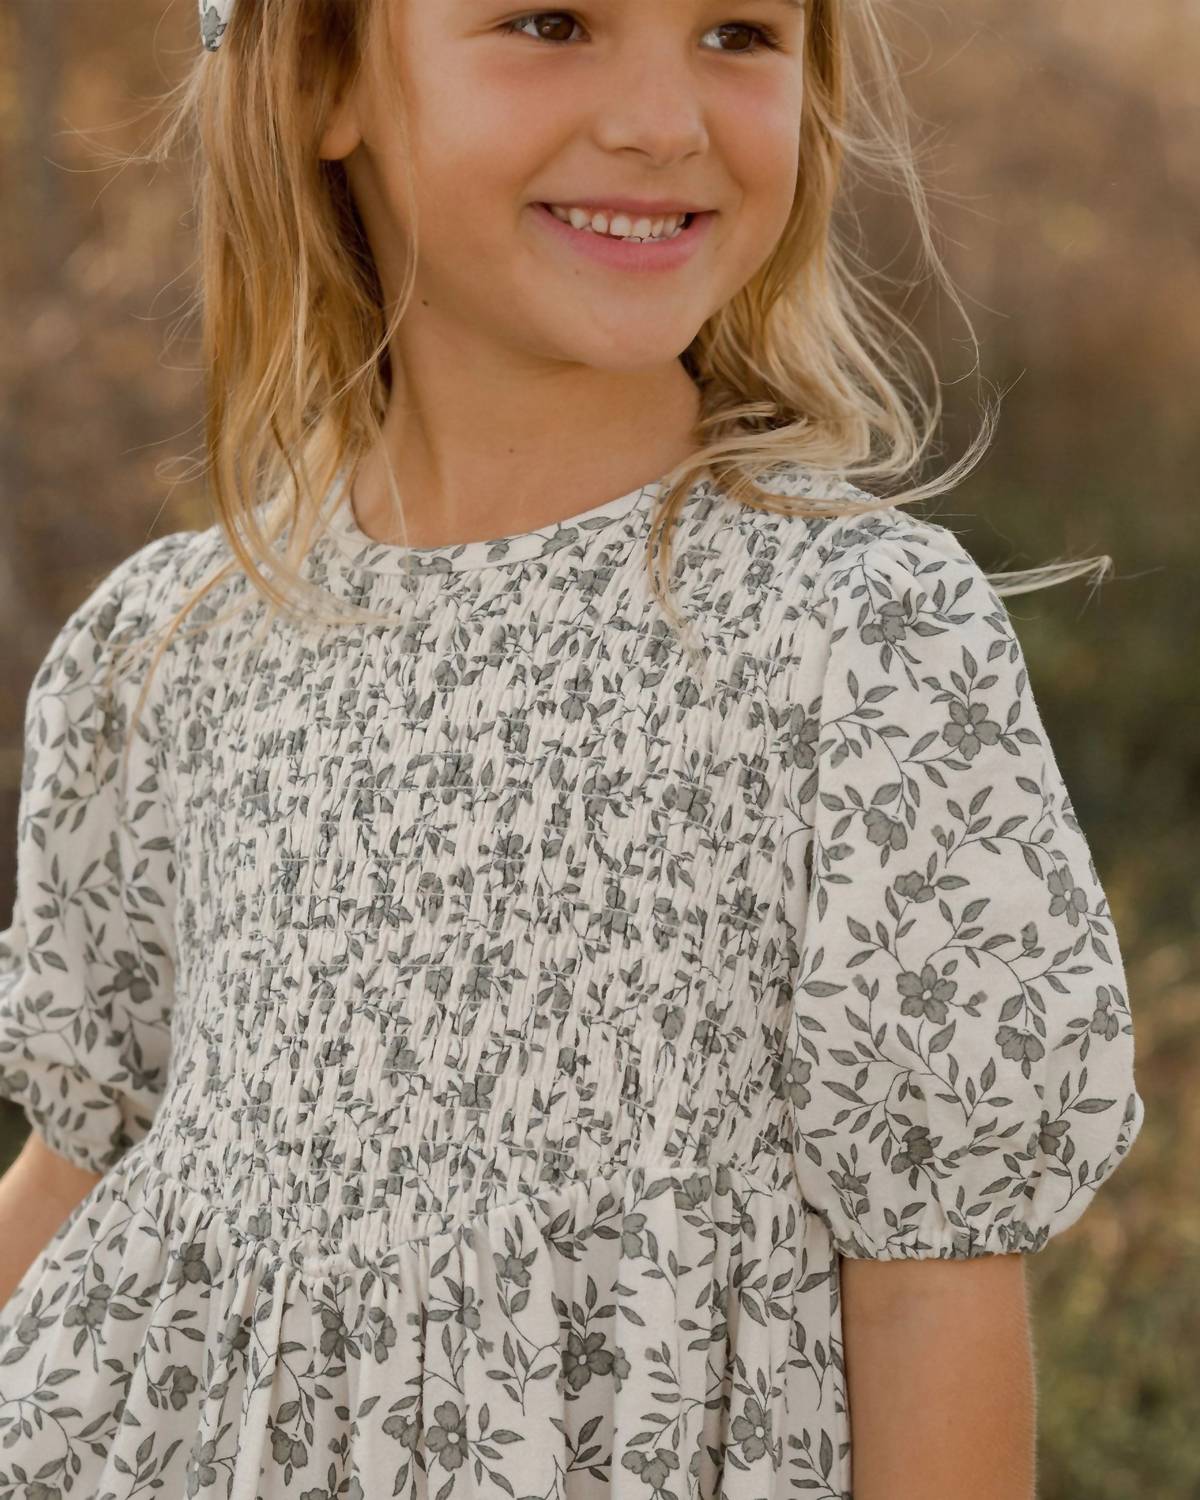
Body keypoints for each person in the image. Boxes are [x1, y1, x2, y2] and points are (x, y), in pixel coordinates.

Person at [0, 1, 1145, 1497]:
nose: (663, 121)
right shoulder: (169, 650)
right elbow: (82, 1172)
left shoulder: (856, 642)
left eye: (738, 32)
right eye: (553, 22)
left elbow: (930, 1283)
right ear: (325, 77)